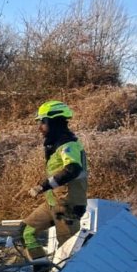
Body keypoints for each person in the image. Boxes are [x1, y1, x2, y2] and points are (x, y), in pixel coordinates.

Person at [19, 100, 88, 260]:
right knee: (25, 231)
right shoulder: (56, 145)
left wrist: (42, 186)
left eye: (43, 122)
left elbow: (72, 169)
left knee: (68, 252)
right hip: (53, 203)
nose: (40, 127)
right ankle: (40, 271)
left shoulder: (68, 145)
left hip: (67, 205)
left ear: (54, 122)